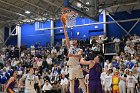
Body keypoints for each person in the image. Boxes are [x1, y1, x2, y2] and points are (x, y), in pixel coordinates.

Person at [63, 24, 86, 93]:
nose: (73, 41)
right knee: (71, 82)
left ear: (77, 43)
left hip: (77, 66)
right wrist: (64, 28)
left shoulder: (80, 49)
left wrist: (71, 55)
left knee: (81, 82)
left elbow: (79, 55)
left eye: (75, 40)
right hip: (71, 67)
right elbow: (66, 37)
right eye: (73, 40)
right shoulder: (70, 47)